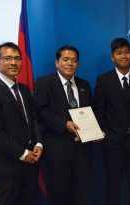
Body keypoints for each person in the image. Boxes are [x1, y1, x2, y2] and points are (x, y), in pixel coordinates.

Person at [93, 37, 130, 205]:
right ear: (113, 57)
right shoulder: (103, 80)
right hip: (113, 142)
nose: (123, 56)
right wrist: (103, 134)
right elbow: (99, 110)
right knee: (112, 182)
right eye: (119, 53)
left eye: (126, 52)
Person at [33, 45, 93, 205]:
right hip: (57, 152)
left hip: (82, 152)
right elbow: (40, 112)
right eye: (65, 59)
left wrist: (95, 131)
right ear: (57, 62)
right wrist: (64, 123)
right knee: (60, 197)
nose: (70, 63)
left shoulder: (84, 85)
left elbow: (89, 114)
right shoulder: (44, 83)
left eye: (74, 60)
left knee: (81, 196)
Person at [0, 42, 43, 205]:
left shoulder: (25, 90)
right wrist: (22, 153)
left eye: (17, 58)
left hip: (31, 164)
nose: (13, 62)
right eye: (7, 58)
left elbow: (33, 120)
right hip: (8, 165)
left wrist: (39, 144)